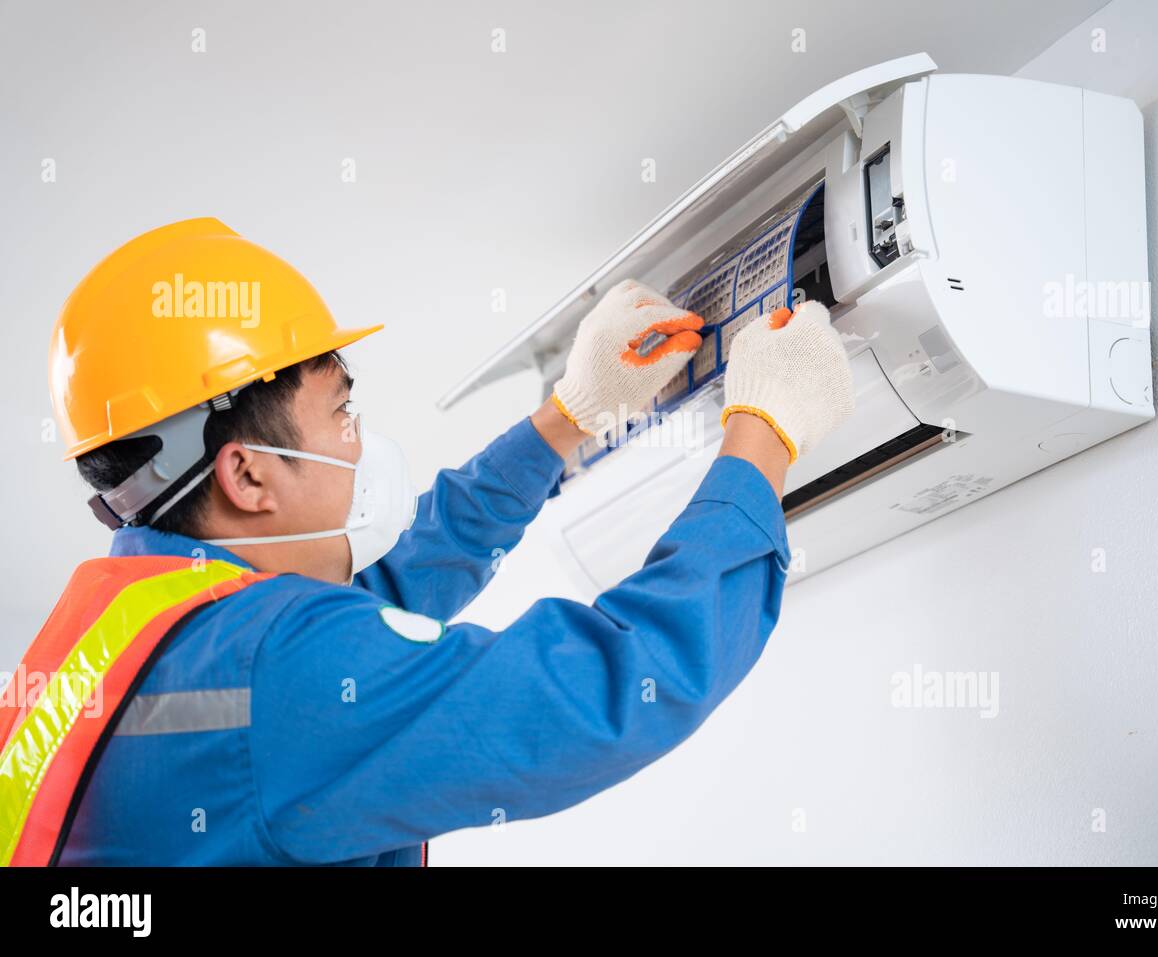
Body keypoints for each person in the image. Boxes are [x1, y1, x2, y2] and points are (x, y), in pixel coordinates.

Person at [0, 218, 853, 866]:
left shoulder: (117, 635)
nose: (357, 441)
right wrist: (762, 435)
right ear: (247, 475)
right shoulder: (272, 671)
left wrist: (569, 419)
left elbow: (370, 612)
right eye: (339, 411)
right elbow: (609, 692)